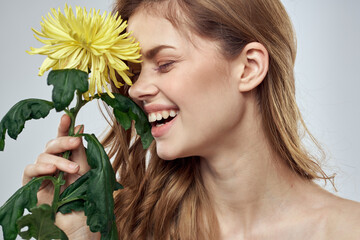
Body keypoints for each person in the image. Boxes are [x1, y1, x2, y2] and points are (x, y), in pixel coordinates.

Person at [22, 0, 360, 239]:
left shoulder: (348, 230)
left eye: (165, 63)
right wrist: (75, 237)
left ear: (249, 67)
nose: (136, 89)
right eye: (134, 72)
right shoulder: (121, 226)